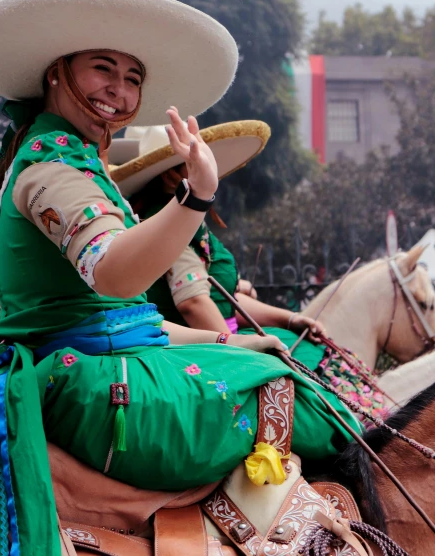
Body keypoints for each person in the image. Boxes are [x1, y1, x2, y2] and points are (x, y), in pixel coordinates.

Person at [0, 0, 361, 556]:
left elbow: (129, 319)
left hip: (90, 372)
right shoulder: (53, 168)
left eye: (132, 77)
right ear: (56, 72)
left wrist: (233, 341)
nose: (118, 90)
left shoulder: (72, 163)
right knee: (313, 406)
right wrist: (196, 197)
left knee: (280, 370)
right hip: (94, 393)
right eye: (102, 69)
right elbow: (115, 276)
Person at [111, 124, 387, 419]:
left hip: (219, 338)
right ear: (169, 175)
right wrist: (240, 352)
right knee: (321, 387)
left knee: (321, 359)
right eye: (195, 160)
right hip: (199, 351)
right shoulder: (166, 217)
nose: (210, 167)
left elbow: (222, 297)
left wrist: (291, 318)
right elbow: (193, 302)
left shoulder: (182, 213)